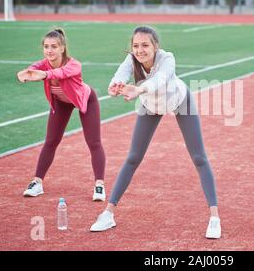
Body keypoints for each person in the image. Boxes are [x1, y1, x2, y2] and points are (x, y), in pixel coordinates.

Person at [89, 26, 221, 238]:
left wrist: (138, 89)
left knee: (198, 157)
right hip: (150, 105)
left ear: (155, 46)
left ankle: (214, 218)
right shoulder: (131, 60)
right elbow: (119, 77)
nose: (140, 50)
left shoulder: (167, 58)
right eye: (136, 45)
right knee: (133, 157)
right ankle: (108, 214)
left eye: (145, 45)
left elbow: (159, 80)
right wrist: (114, 87)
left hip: (179, 101)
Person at [17, 28, 106, 201]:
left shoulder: (74, 64)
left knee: (94, 142)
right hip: (61, 102)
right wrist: (26, 73)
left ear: (62, 48)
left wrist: (44, 74)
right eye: (46, 46)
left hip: (86, 101)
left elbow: (61, 73)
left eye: (54, 47)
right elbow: (33, 69)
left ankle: (99, 185)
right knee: (51, 141)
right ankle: (37, 182)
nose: (49, 50)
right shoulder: (43, 64)